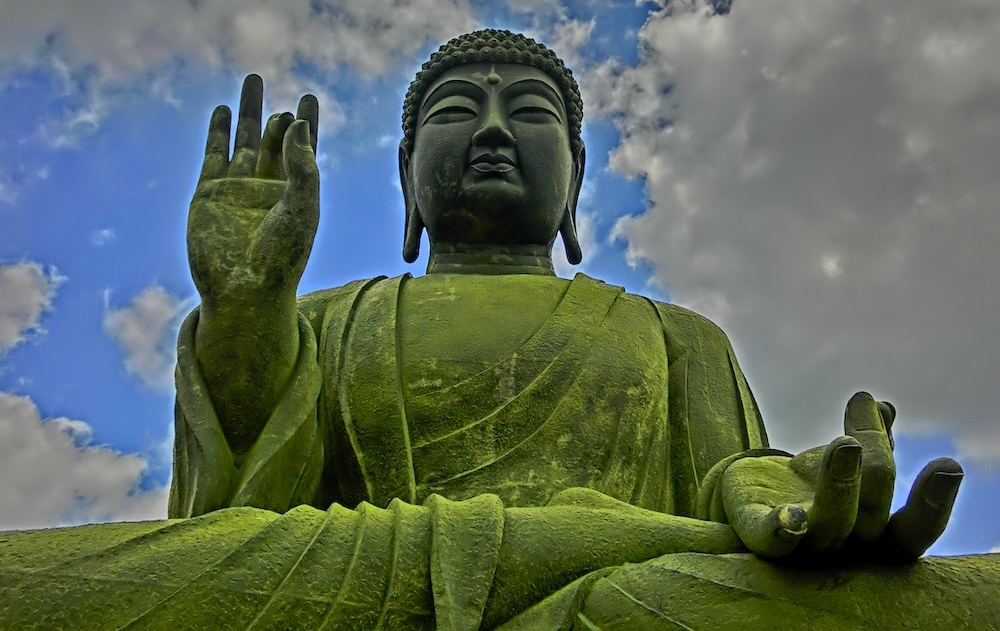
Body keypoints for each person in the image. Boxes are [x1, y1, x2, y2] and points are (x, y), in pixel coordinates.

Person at [2, 31, 993, 630]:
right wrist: (244, 314)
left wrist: (788, 498)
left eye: (524, 111)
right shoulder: (328, 320)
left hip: (624, 601)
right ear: (405, 183)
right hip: (359, 596)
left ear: (573, 183)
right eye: (454, 113)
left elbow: (739, 517)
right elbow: (224, 524)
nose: (486, 130)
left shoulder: (672, 332)